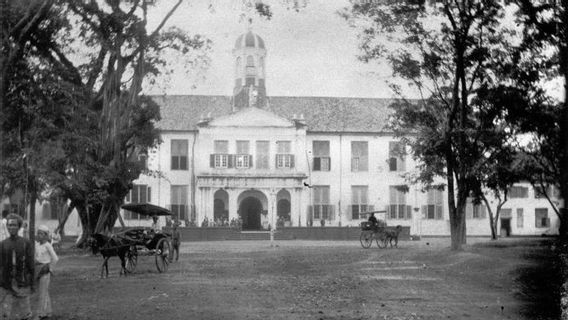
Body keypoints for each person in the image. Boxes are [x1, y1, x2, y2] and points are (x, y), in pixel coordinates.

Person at [0, 214, 34, 320]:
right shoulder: (3, 244)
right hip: (6, 284)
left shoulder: (26, 243)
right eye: (9, 225)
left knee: (26, 314)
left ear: (19, 226)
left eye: (14, 225)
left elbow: (30, 264)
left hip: (22, 283)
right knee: (5, 314)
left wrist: (32, 282)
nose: (11, 227)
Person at [34, 225, 59, 320]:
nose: (39, 235)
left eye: (41, 234)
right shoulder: (36, 245)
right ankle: (48, 311)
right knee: (44, 291)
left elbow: (55, 258)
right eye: (38, 233)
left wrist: (50, 268)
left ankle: (41, 313)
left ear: (45, 235)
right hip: (38, 269)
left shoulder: (48, 245)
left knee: (43, 292)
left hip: (45, 270)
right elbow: (36, 257)